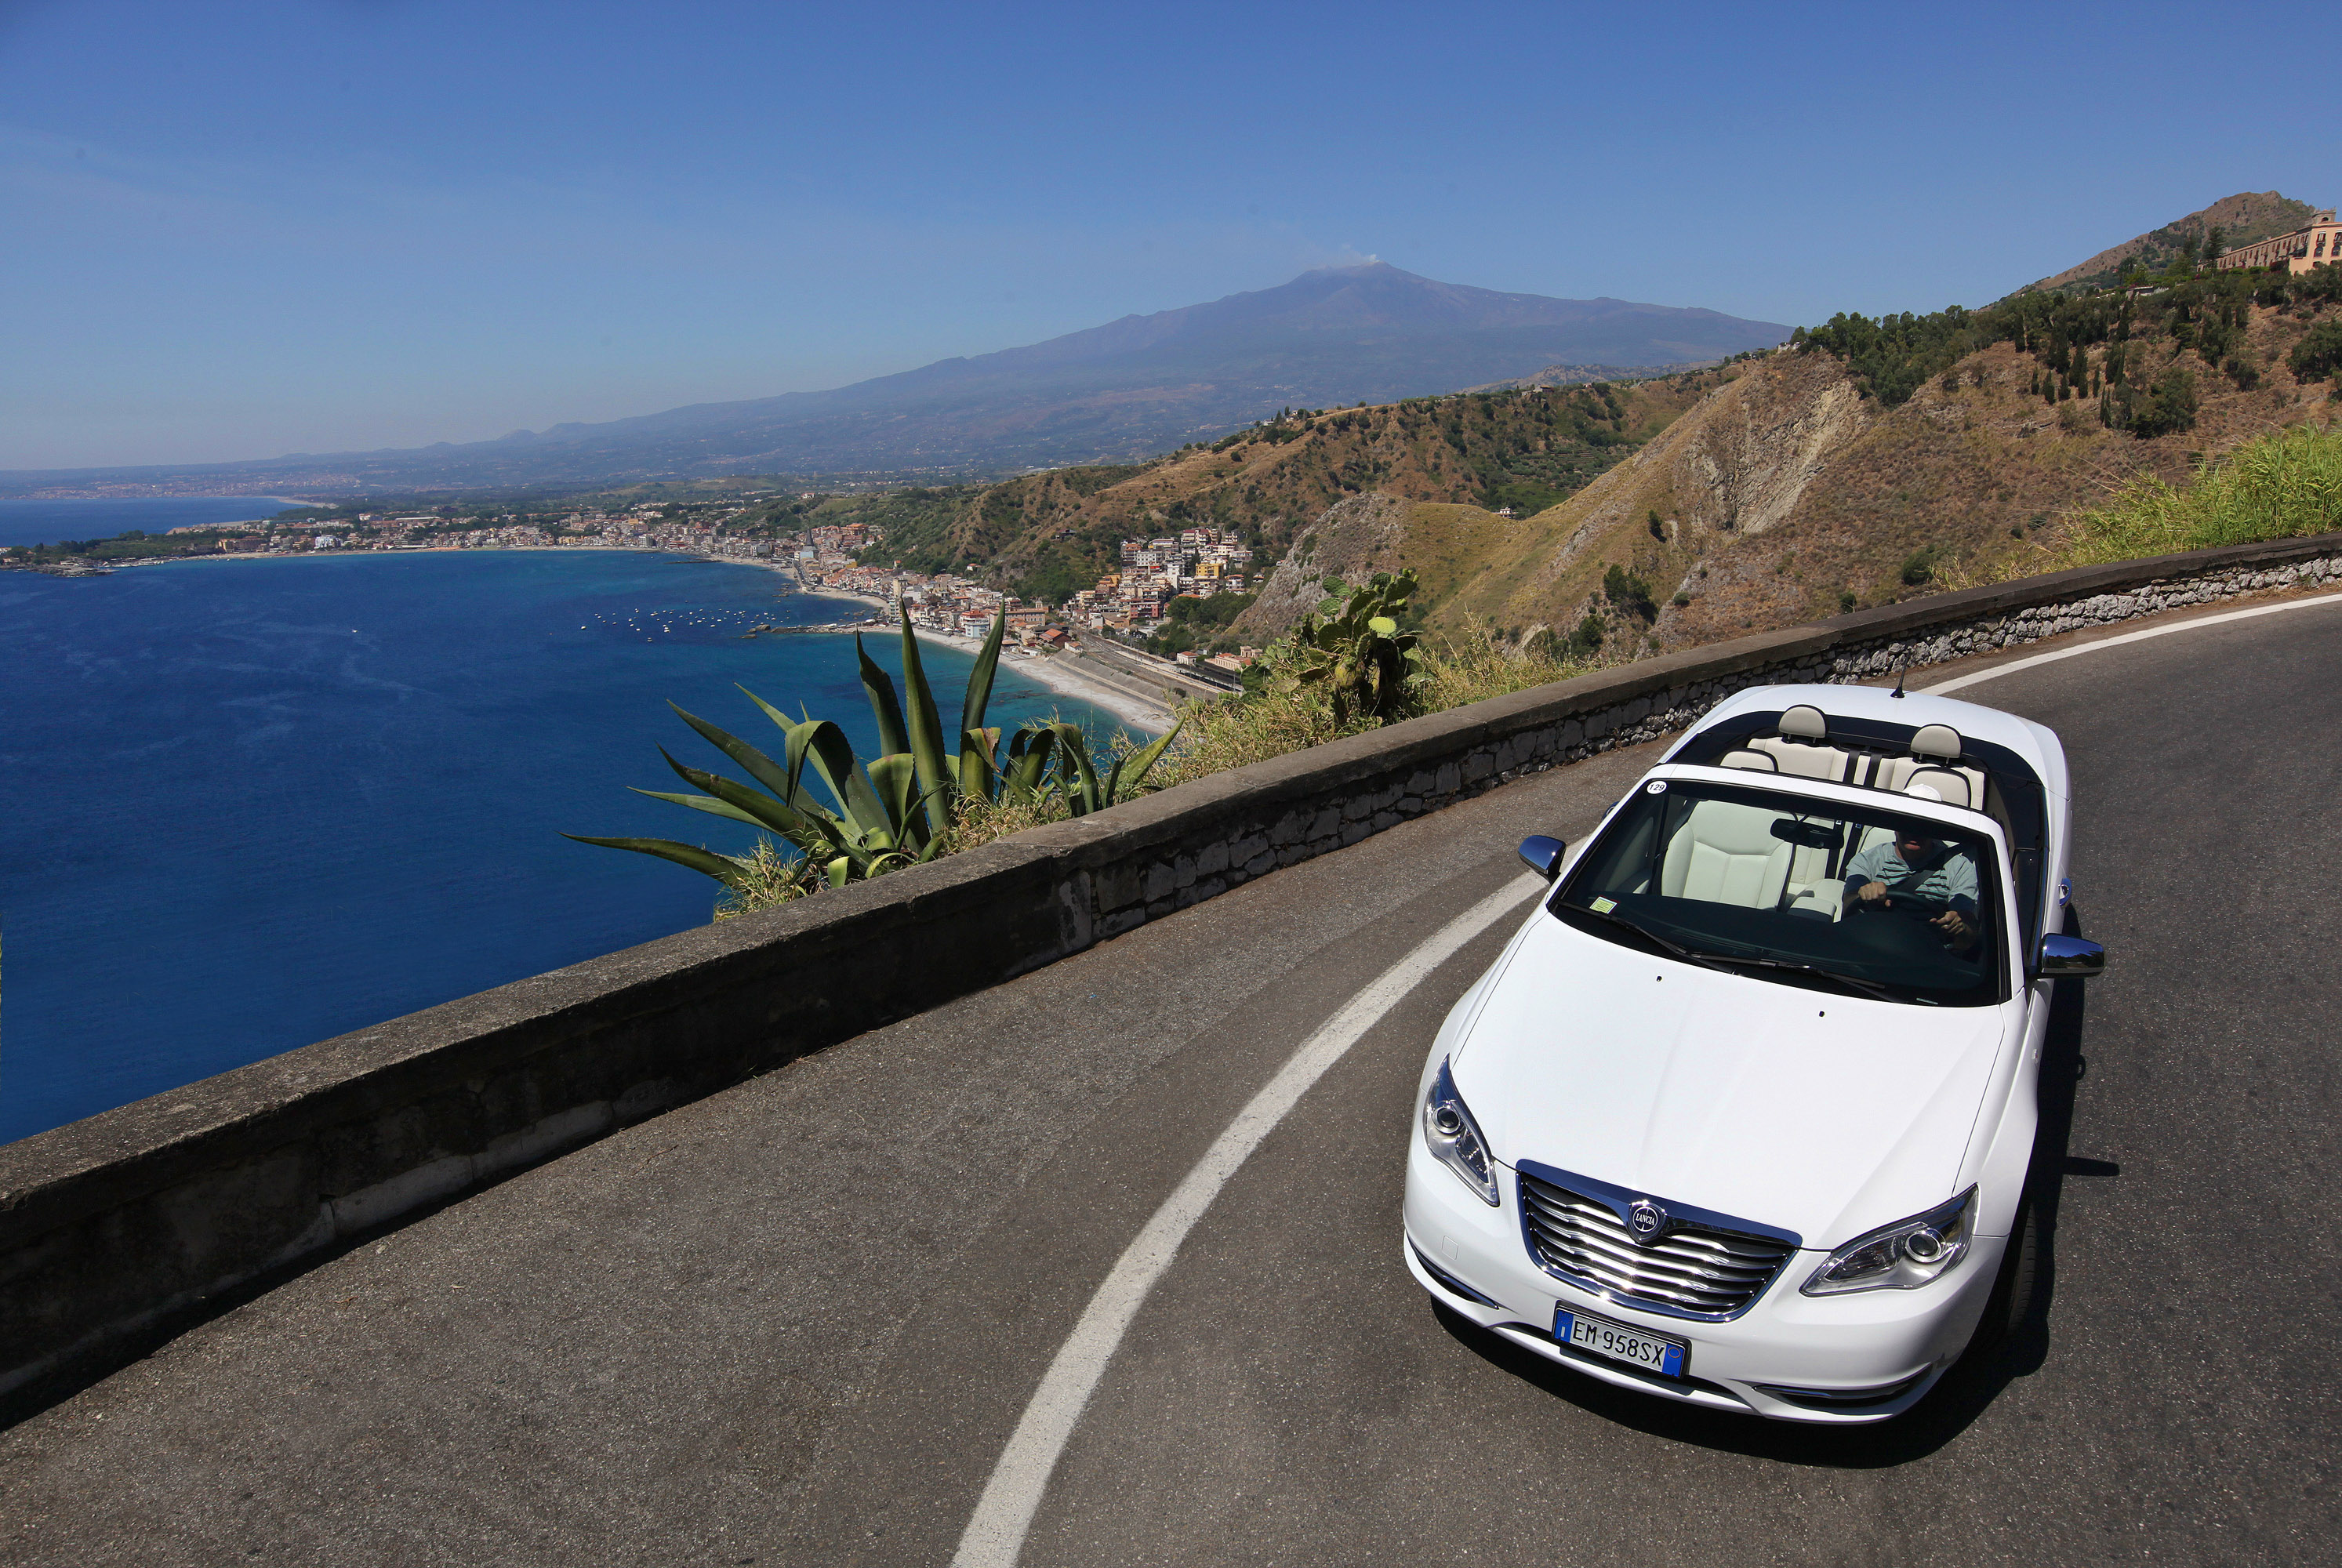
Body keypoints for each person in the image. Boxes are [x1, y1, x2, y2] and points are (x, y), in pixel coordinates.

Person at [1843, 826, 1981, 949]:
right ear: (1895, 827)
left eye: (1924, 827)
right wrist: (1864, 895)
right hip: (1870, 947)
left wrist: (1959, 926)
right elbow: (1849, 905)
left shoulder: (1958, 867)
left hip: (1930, 956)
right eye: (1907, 825)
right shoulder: (1867, 860)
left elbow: (1967, 935)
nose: (1914, 833)